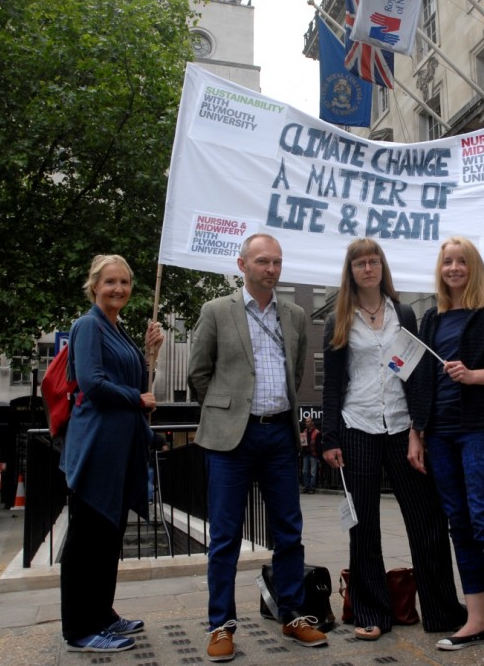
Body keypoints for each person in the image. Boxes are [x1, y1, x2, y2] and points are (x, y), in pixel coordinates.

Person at [188, 233, 327, 662]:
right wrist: (228, 411)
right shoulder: (216, 311)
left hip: (280, 437)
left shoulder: (296, 314)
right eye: (263, 261)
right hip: (233, 438)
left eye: (277, 262)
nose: (271, 269)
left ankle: (293, 614)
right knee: (226, 535)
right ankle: (221, 625)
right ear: (242, 264)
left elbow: (296, 367)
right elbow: (198, 373)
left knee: (289, 531)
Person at [320, 238, 467, 642]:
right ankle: (371, 612)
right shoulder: (340, 318)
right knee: (364, 525)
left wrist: (419, 426)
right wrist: (329, 437)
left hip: (403, 429)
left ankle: (441, 610)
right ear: (350, 272)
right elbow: (332, 385)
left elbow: (418, 374)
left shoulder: (403, 313)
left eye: (373, 262)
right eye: (360, 264)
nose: (368, 269)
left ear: (382, 267)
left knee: (428, 519)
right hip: (357, 426)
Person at [410, 236, 484, 666]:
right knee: (459, 523)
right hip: (439, 432)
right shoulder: (431, 318)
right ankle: (476, 618)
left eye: (461, 261)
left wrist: (474, 376)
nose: (454, 268)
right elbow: (421, 379)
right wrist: (415, 432)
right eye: (447, 262)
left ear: (473, 267)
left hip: (480, 429)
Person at [59, 254, 164, 653]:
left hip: (119, 451)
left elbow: (136, 385)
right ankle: (79, 629)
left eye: (124, 282)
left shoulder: (116, 329)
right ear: (94, 286)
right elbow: (93, 383)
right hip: (96, 450)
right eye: (110, 282)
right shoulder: (87, 326)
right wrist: (137, 398)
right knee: (87, 542)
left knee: (108, 539)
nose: (117, 289)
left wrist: (149, 351)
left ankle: (102, 613)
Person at [300, 417, 320, 494]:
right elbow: (302, 443)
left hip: (313, 454)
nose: (307, 423)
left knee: (313, 472)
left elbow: (318, 445)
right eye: (306, 422)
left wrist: (318, 456)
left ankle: (312, 487)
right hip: (306, 454)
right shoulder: (304, 431)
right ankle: (307, 487)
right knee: (305, 471)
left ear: (312, 422)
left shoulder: (317, 432)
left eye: (308, 422)